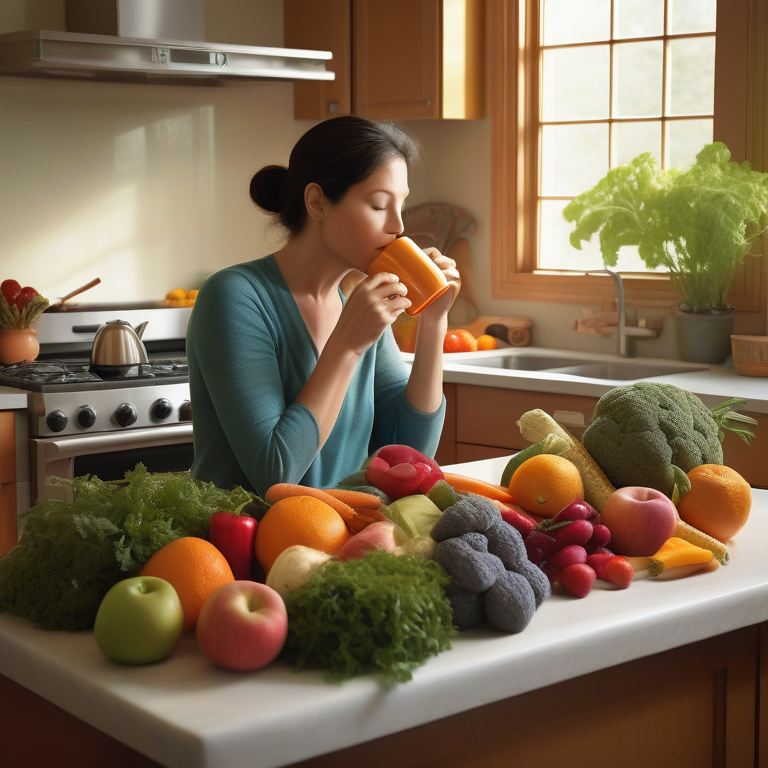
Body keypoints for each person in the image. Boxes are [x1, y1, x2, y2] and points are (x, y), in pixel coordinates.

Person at [186, 115, 460, 496]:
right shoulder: (234, 296)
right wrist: (348, 345)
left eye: (401, 205)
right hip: (242, 548)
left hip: (339, 540)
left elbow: (410, 457)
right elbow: (275, 471)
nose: (398, 225)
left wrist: (433, 323)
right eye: (380, 205)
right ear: (317, 203)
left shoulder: (357, 305)